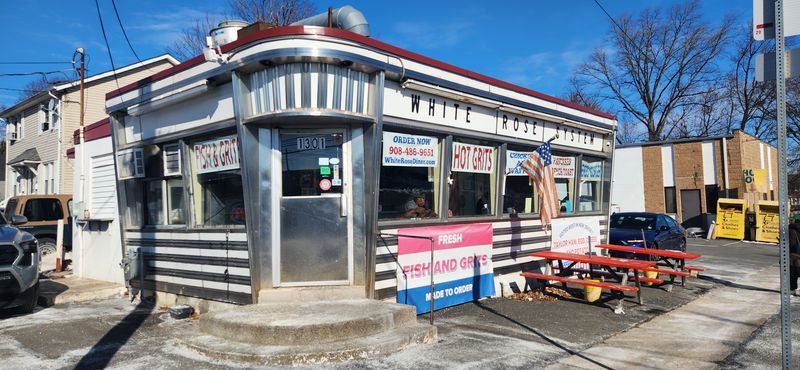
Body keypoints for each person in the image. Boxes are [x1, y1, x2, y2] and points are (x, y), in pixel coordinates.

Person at [789, 222, 800, 295]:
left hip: (793, 254)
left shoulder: (791, 230)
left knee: (793, 273)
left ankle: (793, 289)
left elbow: (792, 243)